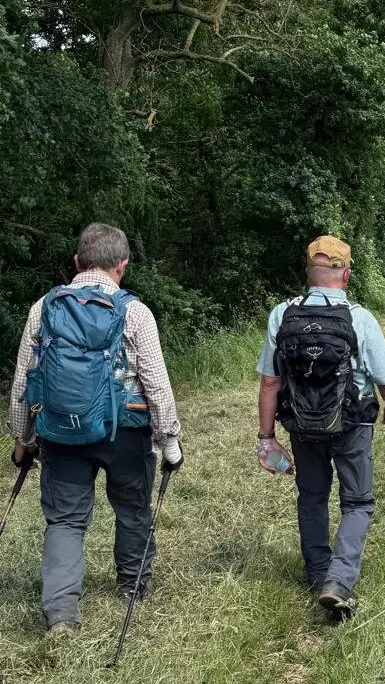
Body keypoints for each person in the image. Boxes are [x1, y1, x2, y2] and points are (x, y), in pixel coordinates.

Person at [7, 223, 183, 635]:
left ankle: (62, 614)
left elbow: (23, 382)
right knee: (132, 509)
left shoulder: (43, 308)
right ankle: (131, 585)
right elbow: (156, 383)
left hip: (61, 430)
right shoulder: (134, 311)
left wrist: (23, 440)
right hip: (127, 431)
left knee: (65, 521)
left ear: (76, 262)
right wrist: (170, 441)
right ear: (122, 265)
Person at [255, 235, 385, 622]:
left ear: (308, 273)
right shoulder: (360, 318)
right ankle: (338, 580)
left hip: (302, 425)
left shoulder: (281, 315)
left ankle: (318, 572)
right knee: (357, 502)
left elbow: (270, 382)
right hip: (352, 424)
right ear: (347, 274)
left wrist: (266, 437)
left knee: (311, 496)